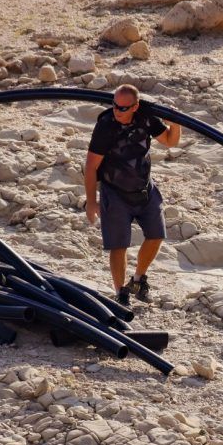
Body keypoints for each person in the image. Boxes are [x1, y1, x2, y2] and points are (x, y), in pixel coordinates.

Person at [84, 84, 180, 306]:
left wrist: (175, 123)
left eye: (123, 108)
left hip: (144, 188)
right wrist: (91, 202)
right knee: (118, 245)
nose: (118, 111)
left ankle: (138, 279)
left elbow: (170, 141)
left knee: (156, 235)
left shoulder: (145, 118)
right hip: (115, 192)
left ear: (135, 106)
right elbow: (90, 167)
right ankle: (121, 292)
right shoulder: (106, 125)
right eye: (115, 106)